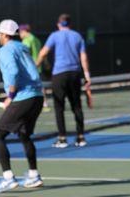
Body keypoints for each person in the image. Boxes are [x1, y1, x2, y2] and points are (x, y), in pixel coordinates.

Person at [0, 19, 44, 193]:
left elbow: (13, 72)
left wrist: (10, 97)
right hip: (37, 97)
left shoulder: (5, 49)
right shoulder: (23, 47)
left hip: (23, 97)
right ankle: (34, 175)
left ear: (5, 35)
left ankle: (8, 178)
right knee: (24, 134)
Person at [36, 14, 91, 148]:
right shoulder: (77, 36)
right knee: (76, 105)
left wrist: (34, 68)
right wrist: (87, 75)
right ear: (70, 24)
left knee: (59, 107)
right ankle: (80, 137)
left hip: (59, 75)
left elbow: (43, 53)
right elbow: (83, 56)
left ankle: (62, 138)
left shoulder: (54, 36)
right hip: (75, 74)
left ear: (58, 24)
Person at [19, 24, 49, 111]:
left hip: (30, 66)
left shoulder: (27, 40)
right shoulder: (36, 39)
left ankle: (42, 102)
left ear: (24, 31)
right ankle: (44, 102)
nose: (20, 35)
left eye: (20, 32)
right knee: (39, 84)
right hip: (37, 65)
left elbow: (24, 52)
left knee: (34, 85)